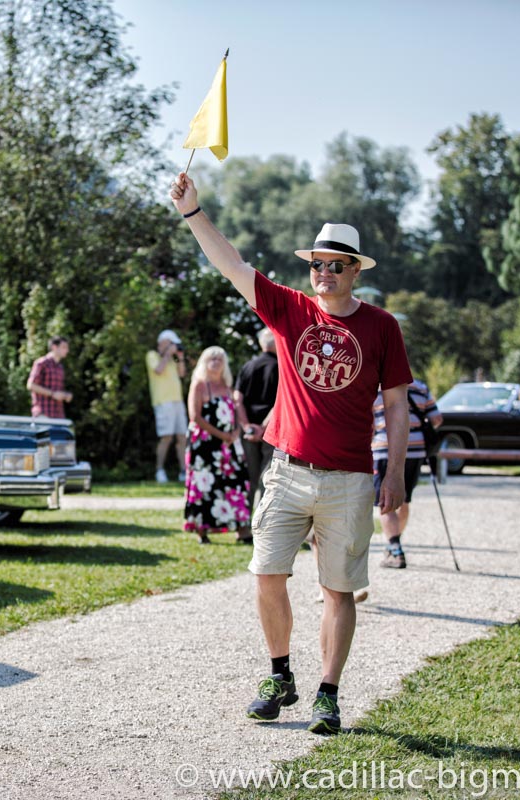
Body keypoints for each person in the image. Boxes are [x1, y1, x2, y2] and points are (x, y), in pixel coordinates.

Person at [169, 173, 412, 736]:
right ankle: (280, 675)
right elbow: (232, 265)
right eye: (317, 264)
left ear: (355, 270)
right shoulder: (291, 309)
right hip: (286, 472)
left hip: (350, 478)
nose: (324, 273)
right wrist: (193, 213)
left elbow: (397, 404)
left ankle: (328, 693)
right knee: (266, 574)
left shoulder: (381, 327)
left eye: (336, 265)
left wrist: (394, 471)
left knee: (339, 591)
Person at [184, 346, 253, 544]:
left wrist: (236, 432)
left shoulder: (227, 387)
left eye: (219, 359)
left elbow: (235, 414)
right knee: (204, 484)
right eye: (211, 359)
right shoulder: (199, 385)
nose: (215, 362)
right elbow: (195, 416)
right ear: (204, 363)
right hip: (204, 445)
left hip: (228, 446)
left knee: (236, 482)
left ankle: (241, 528)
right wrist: (221, 435)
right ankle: (202, 530)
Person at [372, 380, 443, 569]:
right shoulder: (420, 387)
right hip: (415, 450)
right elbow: (437, 419)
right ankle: (394, 542)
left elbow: (369, 421)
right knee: (403, 499)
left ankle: (395, 547)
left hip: (384, 448)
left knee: (384, 501)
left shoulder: (375, 387)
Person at [234, 327, 279, 509]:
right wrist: (263, 427)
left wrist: (247, 426)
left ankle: (244, 521)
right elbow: (281, 401)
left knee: (249, 479)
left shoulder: (248, 366)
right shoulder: (281, 367)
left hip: (249, 432)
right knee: (267, 479)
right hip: (271, 431)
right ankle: (262, 522)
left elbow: (237, 399)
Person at [147, 330, 188, 483]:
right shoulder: (152, 355)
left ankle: (184, 471)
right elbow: (158, 370)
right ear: (163, 342)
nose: (173, 346)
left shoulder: (173, 358)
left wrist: (179, 357)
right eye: (171, 343)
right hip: (163, 402)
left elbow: (182, 373)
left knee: (182, 437)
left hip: (177, 401)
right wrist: (167, 354)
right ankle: (159, 470)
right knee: (166, 437)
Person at [27, 336, 72, 418]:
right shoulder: (41, 363)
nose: (67, 350)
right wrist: (52, 394)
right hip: (43, 413)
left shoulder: (60, 367)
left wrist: (65, 395)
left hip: (58, 414)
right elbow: (31, 385)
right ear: (54, 347)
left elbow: (57, 391)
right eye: (64, 347)